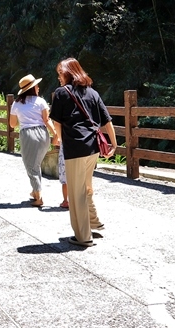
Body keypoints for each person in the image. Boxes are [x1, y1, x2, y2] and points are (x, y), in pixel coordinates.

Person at [49, 58, 117, 247]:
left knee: (76, 192)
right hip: (93, 148)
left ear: (68, 73)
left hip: (76, 148)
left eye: (60, 74)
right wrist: (114, 143)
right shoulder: (93, 93)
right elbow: (107, 120)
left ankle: (83, 236)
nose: (59, 78)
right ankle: (94, 222)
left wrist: (60, 140)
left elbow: (57, 122)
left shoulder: (62, 93)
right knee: (86, 187)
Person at [9, 74, 57, 207]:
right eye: (36, 86)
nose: (38, 87)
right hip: (43, 134)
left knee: (31, 166)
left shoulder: (16, 103)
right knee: (36, 164)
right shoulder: (41, 101)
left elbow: (12, 124)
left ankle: (39, 196)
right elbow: (47, 120)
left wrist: (24, 120)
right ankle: (34, 190)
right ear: (32, 88)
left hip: (28, 135)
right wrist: (55, 135)